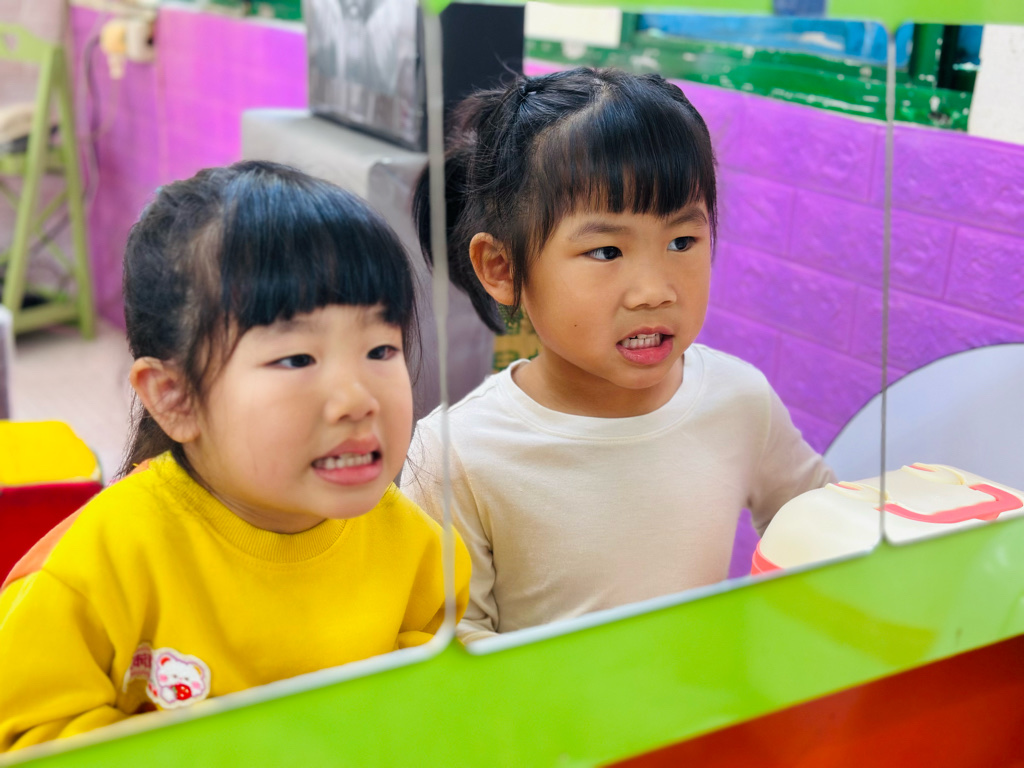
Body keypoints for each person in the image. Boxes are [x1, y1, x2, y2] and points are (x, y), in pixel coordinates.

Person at [0, 161, 470, 751]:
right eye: (297, 359)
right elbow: (30, 740)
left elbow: (435, 708)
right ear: (175, 398)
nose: (357, 400)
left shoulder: (421, 552)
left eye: (380, 349)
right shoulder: (88, 573)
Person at [402, 68, 834, 644]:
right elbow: (449, 651)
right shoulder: (455, 454)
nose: (654, 291)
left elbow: (829, 523)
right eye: (606, 251)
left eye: (682, 241)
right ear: (502, 269)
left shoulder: (740, 400)